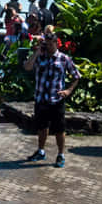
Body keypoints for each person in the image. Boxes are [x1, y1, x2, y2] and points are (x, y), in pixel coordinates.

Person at [22, 32, 80, 167]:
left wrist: (68, 91)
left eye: (50, 44)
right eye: (46, 44)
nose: (47, 47)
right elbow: (27, 67)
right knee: (42, 127)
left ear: (56, 43)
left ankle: (60, 154)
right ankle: (40, 151)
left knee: (59, 129)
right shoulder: (40, 57)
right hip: (41, 98)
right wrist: (36, 53)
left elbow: (76, 76)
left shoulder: (64, 59)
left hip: (56, 100)